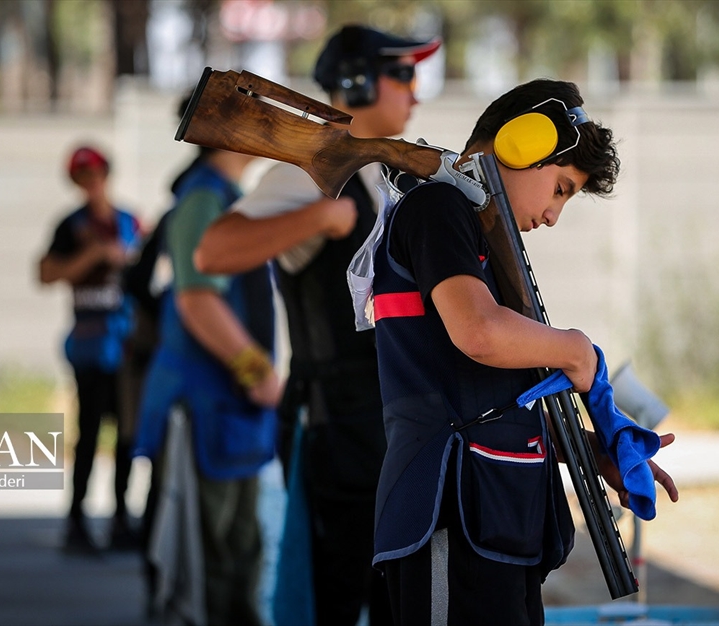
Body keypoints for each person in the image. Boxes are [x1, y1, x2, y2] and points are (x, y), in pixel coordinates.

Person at [368, 78, 680, 625]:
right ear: (522, 144)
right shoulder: (438, 206)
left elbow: (494, 402)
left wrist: (592, 451)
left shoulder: (474, 233)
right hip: (448, 515)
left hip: (492, 520)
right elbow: (479, 333)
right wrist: (575, 350)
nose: (554, 215)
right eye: (560, 188)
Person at [195, 24, 441, 626]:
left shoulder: (389, 173)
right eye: (402, 75)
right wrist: (319, 218)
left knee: (395, 592)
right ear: (356, 82)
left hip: (386, 421)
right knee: (334, 593)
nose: (415, 92)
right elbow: (214, 252)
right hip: (337, 424)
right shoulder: (306, 174)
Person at [131, 97, 282, 625]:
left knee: (237, 552)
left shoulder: (223, 196)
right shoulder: (203, 199)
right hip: (205, 406)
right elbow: (197, 300)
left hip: (227, 410)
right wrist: (258, 373)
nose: (268, 125)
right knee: (207, 564)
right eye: (254, 115)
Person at [38, 145, 143, 552]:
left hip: (127, 343)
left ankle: (120, 518)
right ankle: (77, 521)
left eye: (96, 175)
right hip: (90, 344)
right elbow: (46, 272)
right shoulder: (71, 226)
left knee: (127, 433)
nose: (92, 183)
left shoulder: (129, 221)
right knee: (90, 432)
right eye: (83, 178)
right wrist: (93, 255)